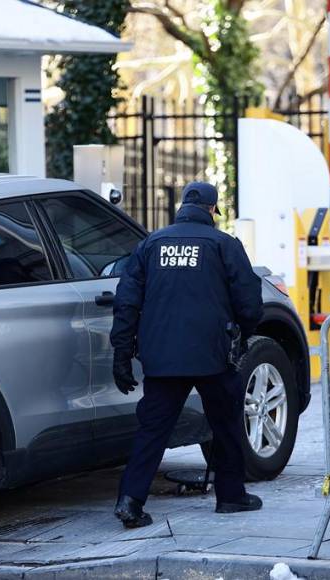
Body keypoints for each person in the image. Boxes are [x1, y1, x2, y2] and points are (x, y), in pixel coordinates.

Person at [111, 181, 265, 528]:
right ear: (212, 210)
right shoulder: (224, 244)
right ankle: (230, 496)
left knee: (152, 431)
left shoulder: (150, 244)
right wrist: (242, 332)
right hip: (212, 355)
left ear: (181, 206)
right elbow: (249, 301)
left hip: (162, 357)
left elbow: (127, 302)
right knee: (225, 425)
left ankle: (130, 501)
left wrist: (122, 352)